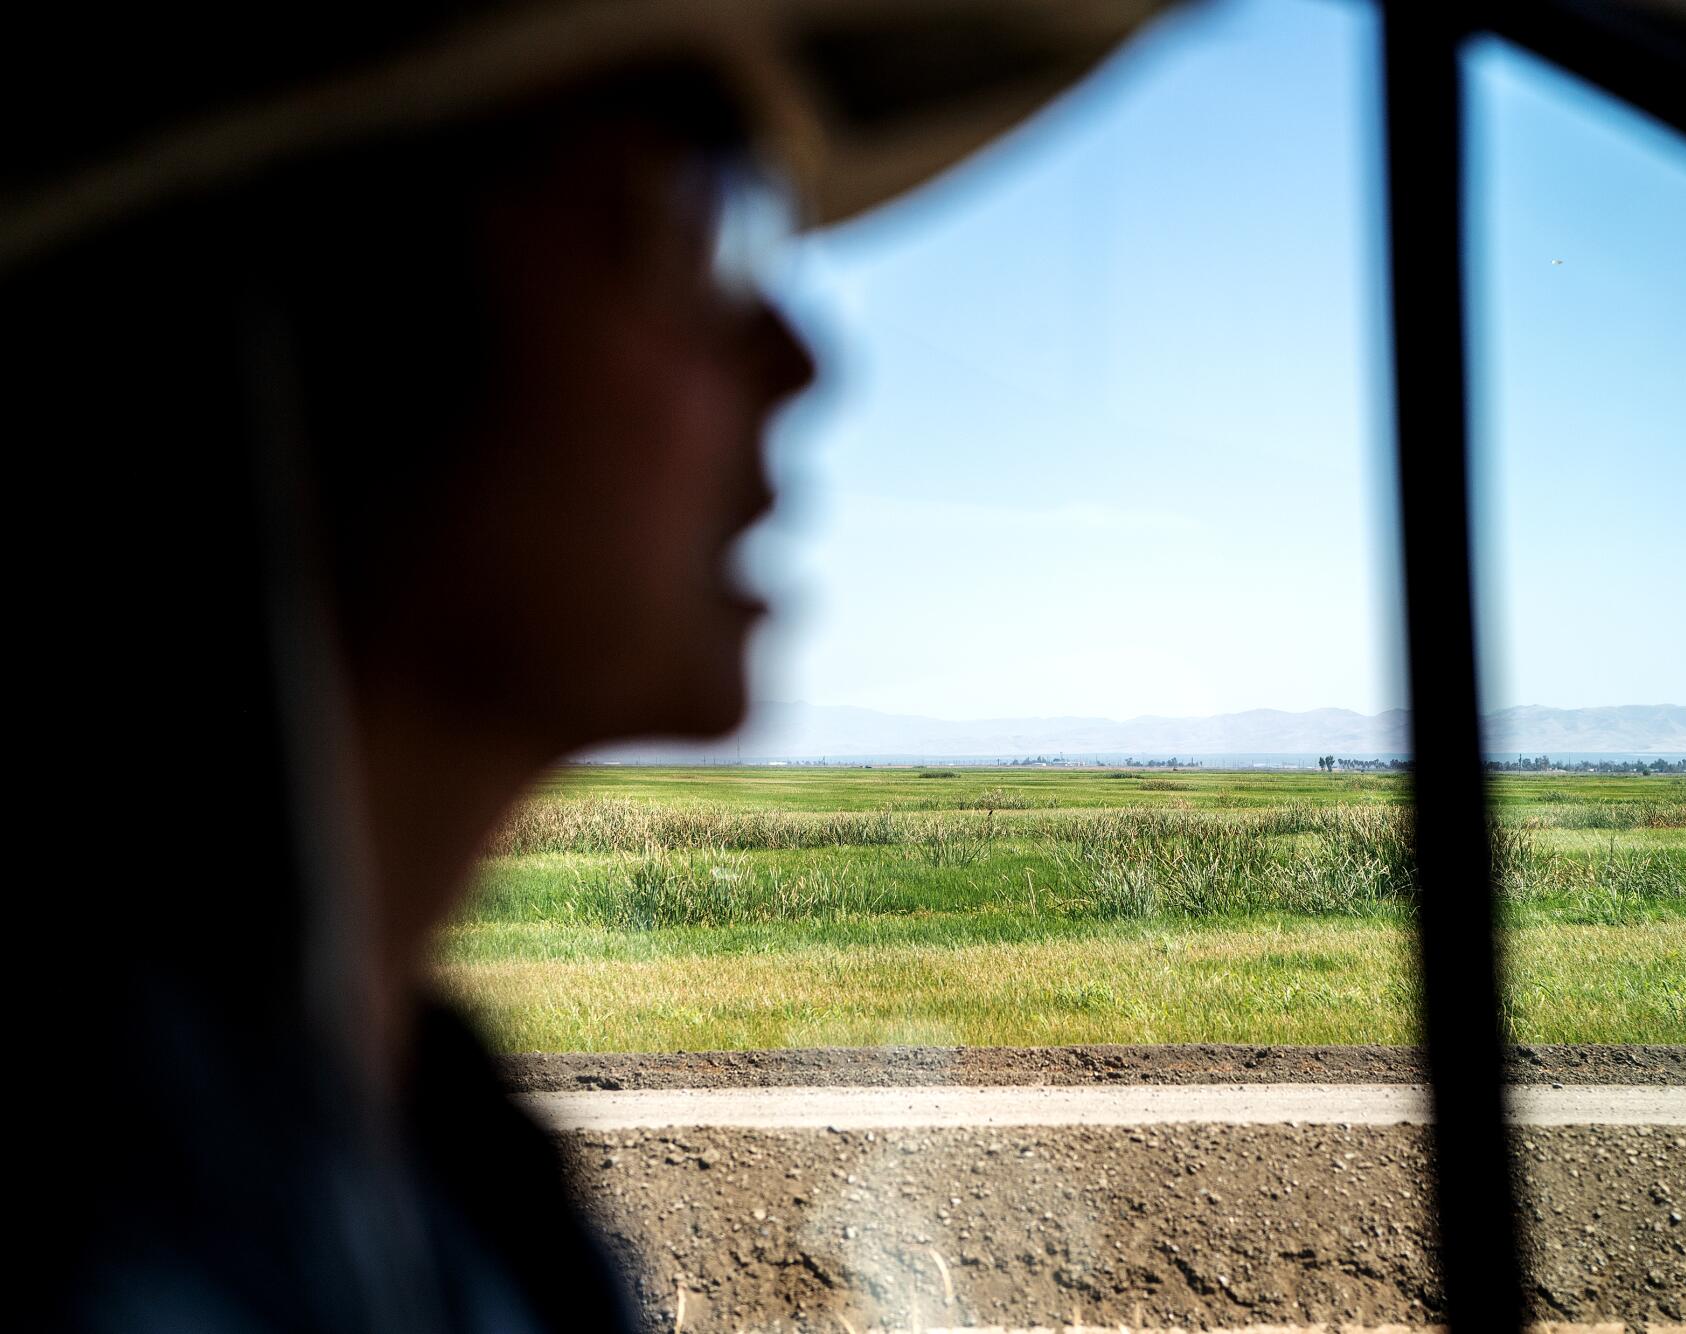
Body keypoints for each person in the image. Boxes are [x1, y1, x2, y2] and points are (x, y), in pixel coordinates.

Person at [5, 3, 1161, 1329]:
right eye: (696, 215)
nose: (796, 358)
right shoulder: (109, 1231)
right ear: (333, 293)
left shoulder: (421, 1161)